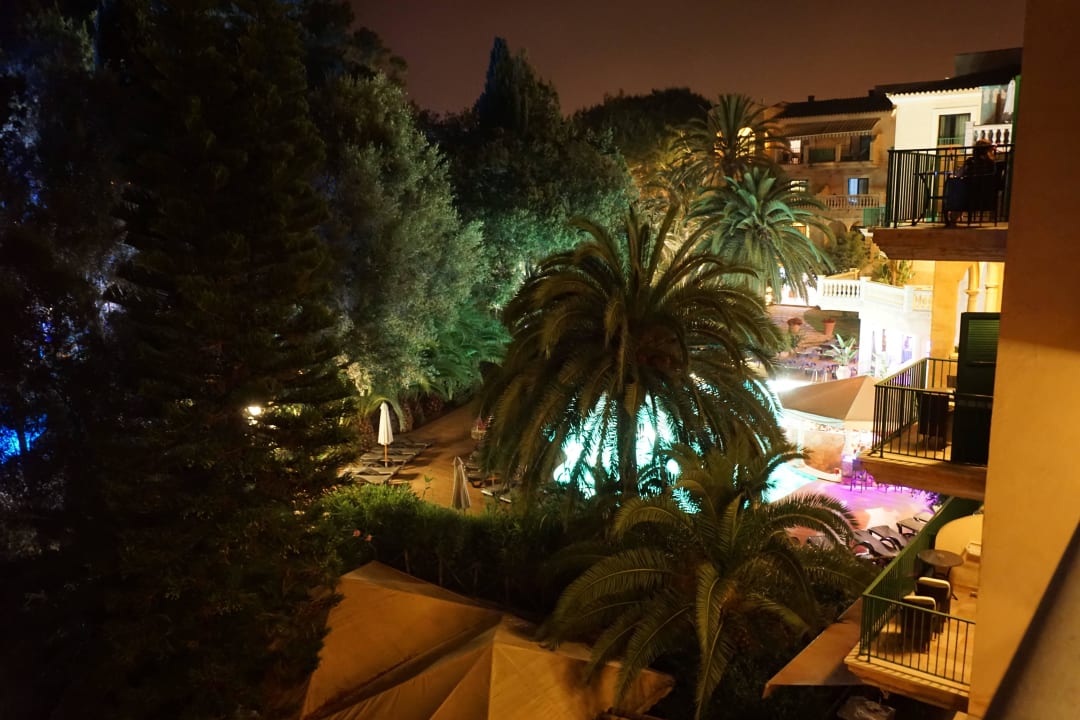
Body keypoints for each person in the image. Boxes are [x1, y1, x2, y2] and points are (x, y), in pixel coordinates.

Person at [945, 139, 998, 225]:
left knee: (956, 187)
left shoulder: (971, 162)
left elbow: (959, 174)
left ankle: (953, 218)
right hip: (987, 194)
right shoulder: (991, 163)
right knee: (959, 189)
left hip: (970, 193)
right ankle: (954, 217)